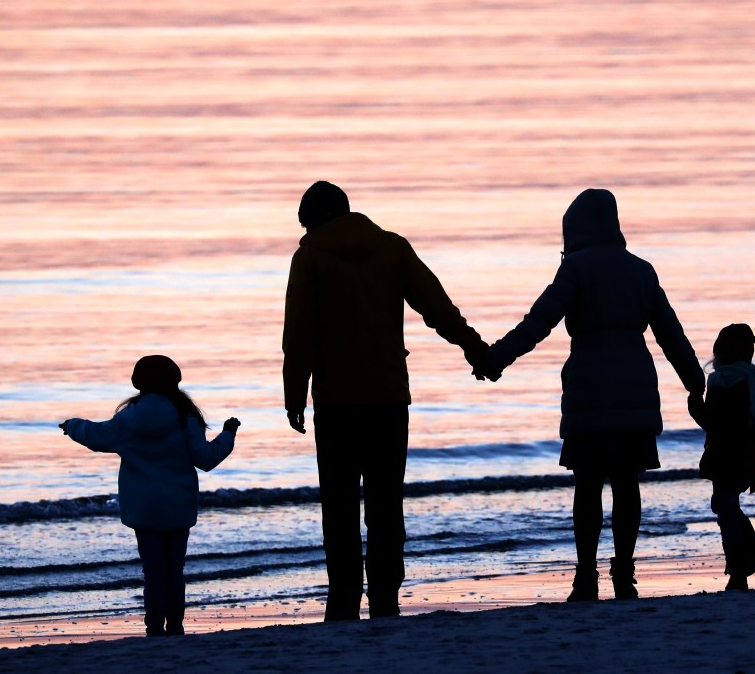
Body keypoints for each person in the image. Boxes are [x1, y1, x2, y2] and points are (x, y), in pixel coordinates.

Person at [480, 188, 704, 601]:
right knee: (626, 484)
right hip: (635, 386)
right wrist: (695, 383)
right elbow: (671, 334)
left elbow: (538, 322)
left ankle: (585, 576)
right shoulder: (641, 270)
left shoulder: (577, 269)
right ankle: (624, 573)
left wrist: (496, 359)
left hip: (588, 389)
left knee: (587, 487)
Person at [282, 181, 489, 621]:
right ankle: (385, 596)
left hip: (336, 402)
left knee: (338, 506)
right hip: (388, 398)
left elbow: (298, 332)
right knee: (385, 503)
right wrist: (472, 346)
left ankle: (343, 597)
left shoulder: (311, 256)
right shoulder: (391, 247)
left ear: (312, 220)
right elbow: (436, 306)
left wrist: (294, 393)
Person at [60, 354, 239, 636]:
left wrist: (71, 425)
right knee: (174, 571)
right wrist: (228, 433)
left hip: (143, 507)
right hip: (178, 505)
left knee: (153, 572)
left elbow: (96, 435)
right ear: (174, 381)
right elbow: (206, 459)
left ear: (137, 382)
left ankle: (154, 627)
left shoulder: (128, 419)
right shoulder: (185, 417)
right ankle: (175, 626)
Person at [688, 323, 755, 591]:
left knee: (725, 509)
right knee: (725, 506)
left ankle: (738, 570)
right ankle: (749, 552)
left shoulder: (722, 381)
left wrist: (695, 408)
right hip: (745, 456)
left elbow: (716, 424)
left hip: (726, 456)